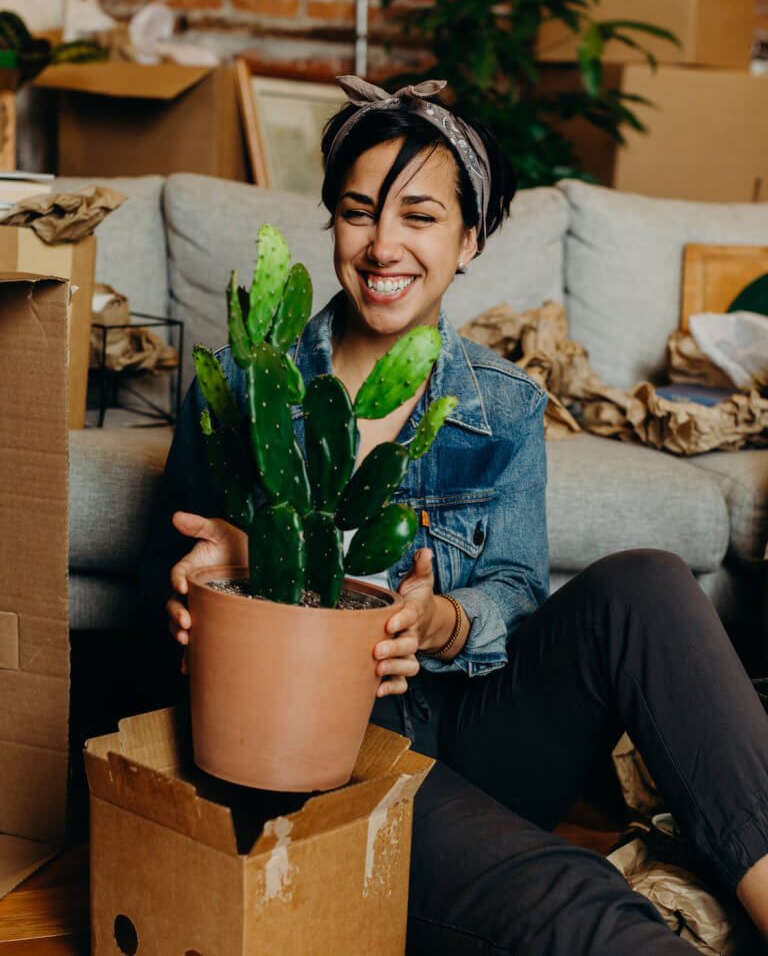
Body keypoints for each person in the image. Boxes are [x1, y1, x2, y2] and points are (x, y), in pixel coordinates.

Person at [144, 75, 768, 954]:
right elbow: (167, 585)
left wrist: (445, 620)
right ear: (332, 224)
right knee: (570, 897)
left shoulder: (505, 405)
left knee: (649, 584)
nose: (383, 244)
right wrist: (208, 588)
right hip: (327, 744)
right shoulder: (246, 384)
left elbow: (515, 586)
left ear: (471, 238)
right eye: (360, 212)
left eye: (420, 216)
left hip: (475, 726)